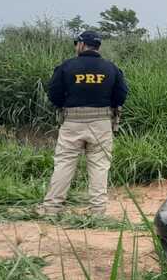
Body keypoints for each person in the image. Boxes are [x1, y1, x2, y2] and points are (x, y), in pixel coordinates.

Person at [39, 30, 129, 217]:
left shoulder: (67, 66)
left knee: (64, 163)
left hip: (72, 120)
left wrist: (66, 105)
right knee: (99, 165)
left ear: (81, 45)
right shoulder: (111, 68)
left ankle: (52, 208)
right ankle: (98, 210)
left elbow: (53, 93)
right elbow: (121, 94)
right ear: (98, 47)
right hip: (102, 121)